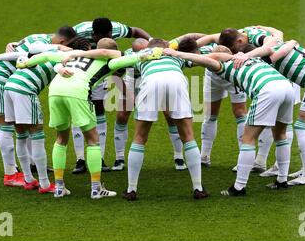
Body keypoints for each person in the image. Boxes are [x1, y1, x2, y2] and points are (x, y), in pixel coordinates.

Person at [20, 37, 162, 198]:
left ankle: (59, 187)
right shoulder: (109, 62)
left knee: (61, 139)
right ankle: (96, 188)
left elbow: (46, 56)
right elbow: (135, 57)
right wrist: (152, 53)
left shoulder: (75, 54)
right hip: (78, 91)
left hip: (55, 90)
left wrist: (25, 63)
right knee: (93, 140)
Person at [164, 43, 294, 195]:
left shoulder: (225, 67)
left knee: (248, 139)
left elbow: (207, 60)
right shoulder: (253, 59)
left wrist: (177, 54)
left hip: (267, 90)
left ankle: (239, 187)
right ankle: (282, 181)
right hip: (286, 87)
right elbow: (270, 48)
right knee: (281, 135)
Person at [231, 39, 305, 185]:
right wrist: (291, 42)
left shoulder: (267, 58)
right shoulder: (274, 44)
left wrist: (245, 56)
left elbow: (276, 49)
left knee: (301, 126)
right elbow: (290, 41)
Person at [0, 26, 76, 187]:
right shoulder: (47, 46)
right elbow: (33, 50)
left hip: (5, 78)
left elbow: (22, 52)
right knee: (7, 126)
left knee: (21, 127)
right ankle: (11, 174)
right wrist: (60, 49)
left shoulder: (39, 36)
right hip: (2, 79)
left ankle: (27, 171)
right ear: (62, 41)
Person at [123, 39, 209, 201]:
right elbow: (201, 57)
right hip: (176, 79)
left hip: (150, 81)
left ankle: (131, 189)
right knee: (188, 136)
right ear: (165, 46)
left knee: (140, 137)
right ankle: (198, 187)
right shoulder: (174, 54)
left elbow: (116, 62)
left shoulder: (137, 55)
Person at [72, 18, 152, 173]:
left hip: (100, 71)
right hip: (79, 72)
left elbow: (136, 31)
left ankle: (99, 158)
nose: (107, 39)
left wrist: (152, 42)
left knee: (99, 110)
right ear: (93, 36)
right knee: (78, 112)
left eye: (109, 36)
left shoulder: (117, 29)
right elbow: (59, 40)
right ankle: (80, 160)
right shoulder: (78, 33)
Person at [174, 37, 248, 167]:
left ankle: (243, 159)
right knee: (210, 115)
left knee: (240, 113)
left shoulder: (220, 53)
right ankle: (204, 156)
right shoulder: (199, 55)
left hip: (232, 75)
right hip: (212, 77)